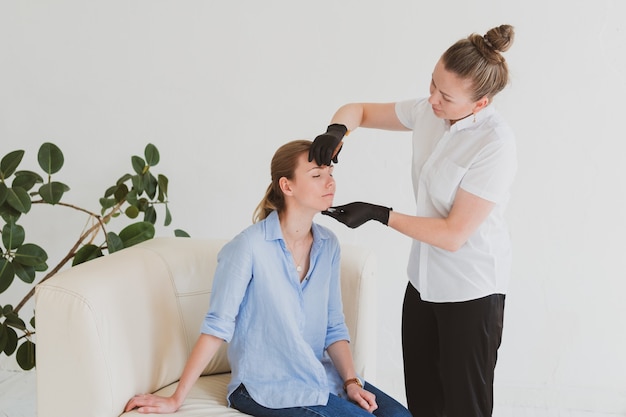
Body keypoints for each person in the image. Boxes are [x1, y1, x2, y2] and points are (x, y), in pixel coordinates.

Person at [309, 25, 517, 417]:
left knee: (464, 409)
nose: (433, 99)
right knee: (423, 404)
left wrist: (378, 214)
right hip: (422, 283)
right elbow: (361, 111)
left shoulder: (495, 145)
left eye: (447, 96)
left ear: (481, 103)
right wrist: (337, 129)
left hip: (471, 291)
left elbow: (454, 234)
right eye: (433, 85)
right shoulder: (428, 111)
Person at [124, 139, 412, 417]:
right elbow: (217, 326)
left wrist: (351, 382)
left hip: (317, 374)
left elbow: (334, 326)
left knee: (400, 415)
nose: (330, 182)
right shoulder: (248, 247)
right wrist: (176, 399)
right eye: (317, 175)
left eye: (330, 173)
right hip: (262, 386)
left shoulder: (328, 245)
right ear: (286, 186)